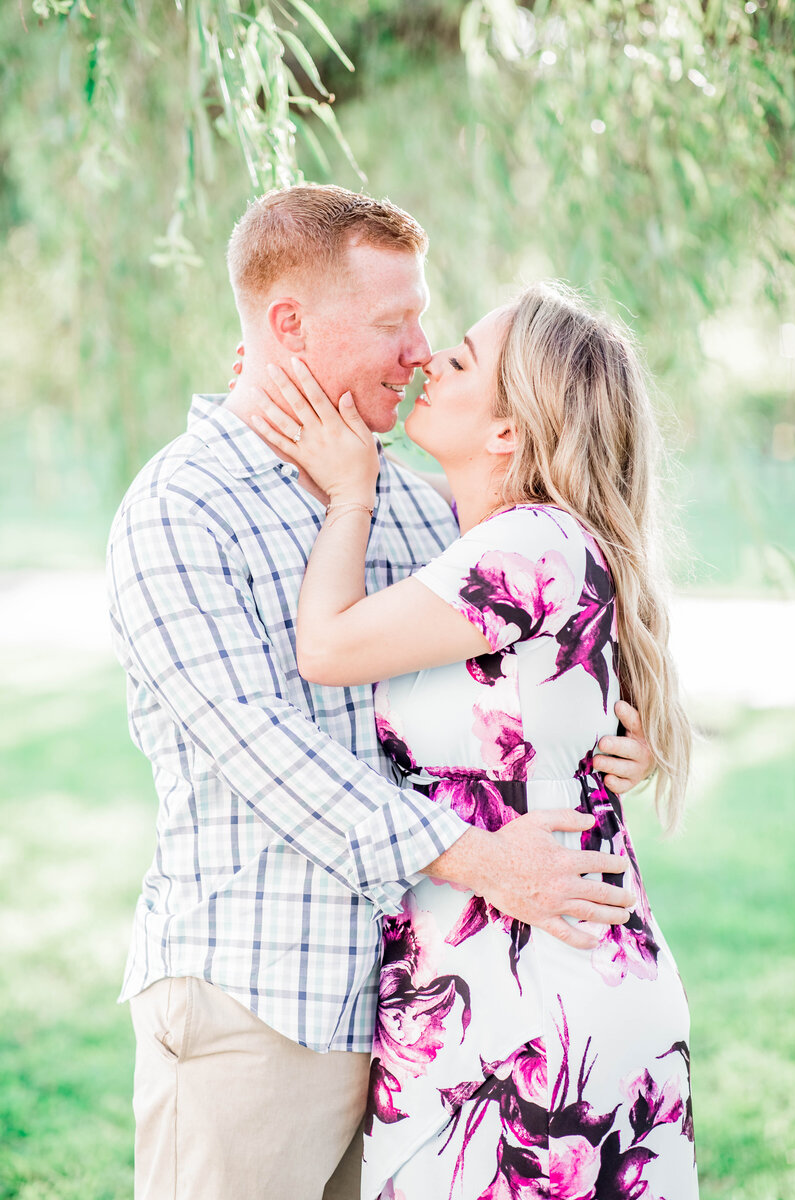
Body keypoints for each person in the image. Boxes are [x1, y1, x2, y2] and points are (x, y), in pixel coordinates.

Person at [106, 185, 653, 1200]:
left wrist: (612, 729)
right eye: (393, 323)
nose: (418, 351)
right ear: (287, 327)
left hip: (422, 1014)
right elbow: (259, 745)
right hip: (259, 1001)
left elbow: (523, 657)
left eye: (422, 320)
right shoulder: (177, 510)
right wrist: (480, 857)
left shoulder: (414, 501)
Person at [253, 280, 696, 1199]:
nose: (424, 362)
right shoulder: (501, 547)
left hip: (538, 1012)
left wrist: (350, 493)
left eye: (455, 360)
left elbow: (327, 646)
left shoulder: (527, 545)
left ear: (507, 432)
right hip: (485, 989)